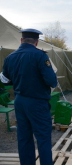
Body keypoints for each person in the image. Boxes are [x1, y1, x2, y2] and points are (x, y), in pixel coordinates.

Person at [0, 29, 57, 165]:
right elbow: (51, 81)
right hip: (37, 102)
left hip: (19, 101)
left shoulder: (10, 57)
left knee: (24, 137)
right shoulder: (40, 56)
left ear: (21, 40)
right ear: (36, 42)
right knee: (43, 138)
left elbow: (4, 80)